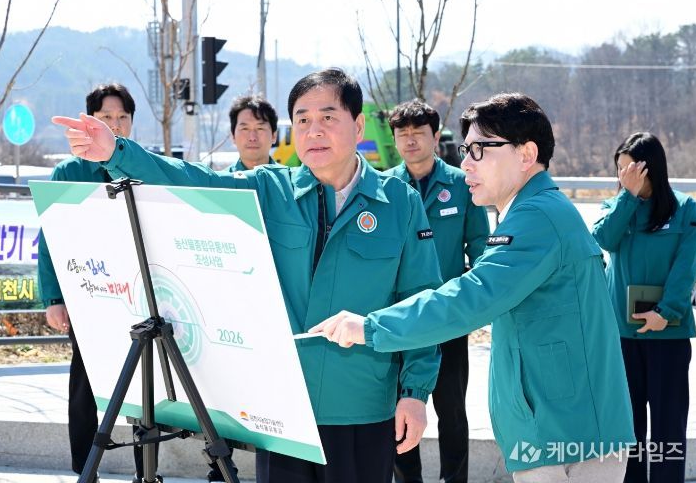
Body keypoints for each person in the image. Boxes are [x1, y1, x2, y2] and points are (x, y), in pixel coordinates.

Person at [52, 68, 442, 483]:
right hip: (285, 413)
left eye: (328, 117)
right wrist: (116, 152)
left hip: (361, 407)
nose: (314, 130)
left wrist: (415, 393)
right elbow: (194, 181)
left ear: (358, 125)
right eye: (303, 120)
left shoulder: (398, 202)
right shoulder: (272, 189)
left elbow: (420, 301)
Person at [312, 92, 637, 483]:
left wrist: (370, 327)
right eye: (466, 150)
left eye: (480, 150)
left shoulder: (537, 217)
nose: (466, 162)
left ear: (526, 154)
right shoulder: (535, 211)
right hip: (559, 427)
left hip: (566, 434)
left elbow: (471, 296)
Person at [38, 83, 163, 483]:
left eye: (123, 117)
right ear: (89, 121)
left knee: (146, 385)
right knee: (84, 380)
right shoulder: (69, 173)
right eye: (106, 117)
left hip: (139, 294)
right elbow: (49, 240)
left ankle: (147, 469)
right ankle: (84, 468)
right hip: (86, 294)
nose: (115, 124)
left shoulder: (145, 167)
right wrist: (54, 298)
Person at [385, 99, 489, 483]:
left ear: (435, 136)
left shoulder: (461, 184)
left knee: (452, 411)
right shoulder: (385, 187)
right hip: (400, 319)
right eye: (403, 134)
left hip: (448, 318)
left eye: (419, 133)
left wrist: (473, 304)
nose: (411, 141)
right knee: (401, 409)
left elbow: (481, 248)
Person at [591, 132, 696, 483]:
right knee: (628, 427)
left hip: (668, 333)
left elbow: (687, 267)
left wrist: (666, 312)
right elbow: (603, 240)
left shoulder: (686, 210)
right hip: (622, 336)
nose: (623, 176)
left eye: (630, 169)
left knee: (669, 425)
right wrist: (628, 197)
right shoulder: (615, 208)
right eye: (619, 169)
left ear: (650, 168)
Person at [227, 95, 278, 172]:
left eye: (260, 128)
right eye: (245, 129)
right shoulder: (220, 179)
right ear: (233, 136)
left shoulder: (288, 178)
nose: (252, 138)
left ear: (274, 135)